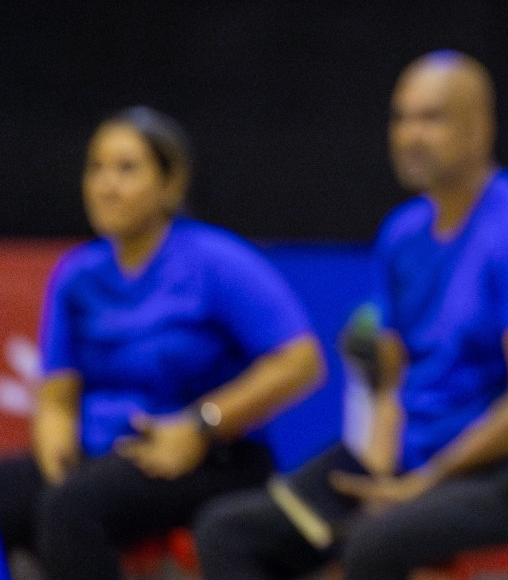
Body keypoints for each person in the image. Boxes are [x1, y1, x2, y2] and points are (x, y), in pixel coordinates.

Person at [194, 51, 508, 580]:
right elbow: (393, 382)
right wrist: (380, 469)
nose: (409, 134)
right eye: (400, 118)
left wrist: (425, 481)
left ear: (482, 127)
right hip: (411, 466)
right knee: (229, 531)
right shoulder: (400, 235)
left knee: (374, 546)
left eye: (431, 117)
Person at [0, 107, 325, 580]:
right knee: (20, 493)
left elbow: (301, 362)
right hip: (103, 453)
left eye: (126, 169)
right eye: (96, 168)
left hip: (211, 453)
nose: (106, 185)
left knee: (71, 511)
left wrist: (201, 425)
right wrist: (57, 454)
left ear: (171, 183)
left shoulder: (215, 261)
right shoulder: (77, 275)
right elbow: (57, 395)